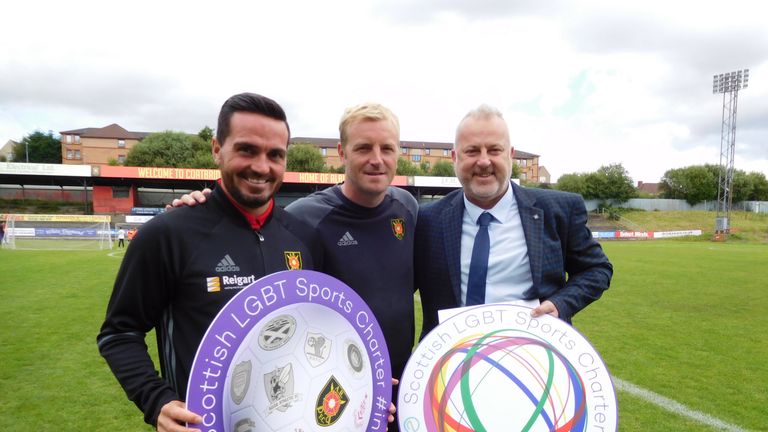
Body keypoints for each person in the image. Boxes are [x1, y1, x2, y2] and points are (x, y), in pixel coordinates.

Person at [173, 103, 417, 432]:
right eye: (363, 148)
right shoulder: (305, 217)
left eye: (387, 148)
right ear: (342, 153)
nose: (377, 159)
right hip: (334, 392)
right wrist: (202, 206)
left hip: (404, 392)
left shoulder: (408, 207)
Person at [97, 93, 324, 432]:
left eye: (275, 155)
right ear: (217, 149)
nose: (262, 167)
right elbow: (119, 333)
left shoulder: (304, 237)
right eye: (247, 149)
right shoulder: (168, 234)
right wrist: (156, 400)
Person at [415, 104, 613, 337]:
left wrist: (561, 304)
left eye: (494, 150)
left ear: (510, 155)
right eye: (472, 151)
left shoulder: (557, 210)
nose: (484, 161)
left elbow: (596, 269)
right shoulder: (426, 220)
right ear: (455, 158)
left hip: (533, 359)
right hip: (452, 362)